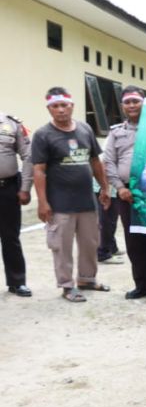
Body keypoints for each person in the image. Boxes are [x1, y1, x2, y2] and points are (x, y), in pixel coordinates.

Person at [30, 88, 111, 302]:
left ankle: (87, 280)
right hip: (60, 204)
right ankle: (67, 286)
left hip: (86, 201)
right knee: (61, 246)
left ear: (72, 106)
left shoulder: (85, 129)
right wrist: (43, 202)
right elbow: (38, 170)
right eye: (55, 106)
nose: (61, 110)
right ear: (49, 109)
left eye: (64, 105)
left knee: (90, 243)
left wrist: (104, 187)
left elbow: (95, 161)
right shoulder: (43, 134)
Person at [103, 86, 146, 303]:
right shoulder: (116, 132)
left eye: (136, 101)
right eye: (128, 102)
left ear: (144, 103)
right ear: (123, 106)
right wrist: (119, 188)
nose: (132, 105)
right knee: (134, 241)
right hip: (126, 195)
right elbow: (109, 162)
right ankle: (141, 285)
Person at [0, 110, 33, 297]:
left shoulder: (11, 123)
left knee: (10, 237)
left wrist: (25, 187)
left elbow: (28, 156)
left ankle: (16, 282)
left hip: (7, 188)